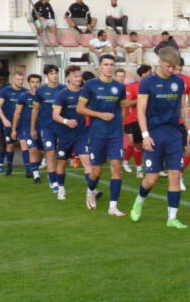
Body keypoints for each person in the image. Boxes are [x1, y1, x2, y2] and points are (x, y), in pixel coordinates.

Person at [129, 47, 190, 227]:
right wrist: (145, 135)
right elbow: (140, 110)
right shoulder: (147, 82)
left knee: (174, 174)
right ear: (159, 62)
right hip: (154, 134)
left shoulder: (178, 83)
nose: (171, 70)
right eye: (168, 66)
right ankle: (139, 201)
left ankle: (172, 218)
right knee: (152, 178)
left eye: (174, 67)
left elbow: (182, 109)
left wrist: (188, 131)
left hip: (173, 134)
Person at [78, 54, 128, 215]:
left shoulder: (119, 87)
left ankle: (113, 207)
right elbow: (80, 108)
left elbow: (122, 107)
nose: (109, 67)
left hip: (115, 134)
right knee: (97, 171)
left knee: (116, 167)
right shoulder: (90, 85)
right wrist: (100, 115)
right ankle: (90, 190)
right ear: (100, 66)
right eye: (106, 64)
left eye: (111, 65)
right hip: (97, 133)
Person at [51, 65, 87, 201]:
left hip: (82, 134)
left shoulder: (85, 93)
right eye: (76, 76)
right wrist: (66, 121)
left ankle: (91, 190)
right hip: (65, 135)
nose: (79, 78)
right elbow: (55, 115)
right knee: (61, 163)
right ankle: (61, 188)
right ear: (68, 78)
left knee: (87, 162)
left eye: (80, 76)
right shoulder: (62, 94)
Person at [32, 64, 64, 193]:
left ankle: (55, 175)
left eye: (56, 73)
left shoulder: (63, 89)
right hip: (46, 127)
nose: (55, 75)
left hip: (61, 127)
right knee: (50, 152)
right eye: (51, 73)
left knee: (60, 155)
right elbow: (35, 109)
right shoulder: (40, 91)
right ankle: (54, 181)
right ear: (47, 75)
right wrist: (32, 128)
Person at [12, 73, 43, 182]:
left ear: (40, 83)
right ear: (29, 83)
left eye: (37, 82)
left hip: (43, 128)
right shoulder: (23, 96)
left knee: (41, 152)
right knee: (32, 149)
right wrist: (13, 129)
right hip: (27, 128)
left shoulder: (44, 96)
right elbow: (17, 113)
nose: (35, 84)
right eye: (32, 82)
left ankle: (34, 166)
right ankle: (35, 174)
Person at [0, 72, 28, 177]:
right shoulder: (5, 91)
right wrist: (4, 119)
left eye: (22, 79)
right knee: (10, 145)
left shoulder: (26, 92)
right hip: (9, 123)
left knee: (24, 144)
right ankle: (9, 166)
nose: (20, 81)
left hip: (22, 124)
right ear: (13, 79)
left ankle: (28, 170)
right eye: (18, 79)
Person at [122, 64, 150, 175]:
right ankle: (134, 166)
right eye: (149, 73)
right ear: (143, 74)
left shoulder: (151, 86)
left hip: (146, 119)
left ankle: (137, 167)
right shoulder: (132, 87)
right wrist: (141, 99)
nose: (151, 75)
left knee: (138, 144)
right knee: (135, 144)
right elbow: (127, 103)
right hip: (132, 120)